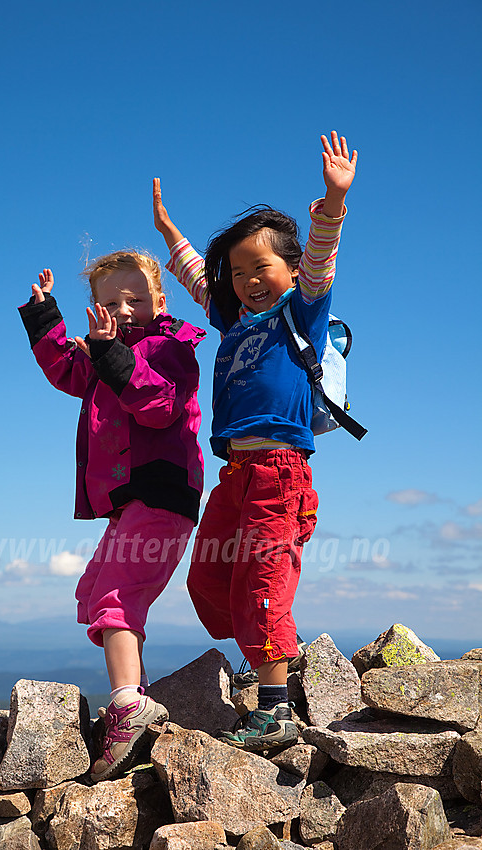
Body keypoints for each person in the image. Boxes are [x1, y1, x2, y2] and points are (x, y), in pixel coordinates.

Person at [153, 131, 357, 751]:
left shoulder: (300, 311)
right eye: (238, 273)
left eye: (260, 268)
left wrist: (332, 199)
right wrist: (168, 234)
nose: (247, 281)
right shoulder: (234, 321)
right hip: (234, 477)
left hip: (280, 473)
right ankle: (262, 660)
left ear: (289, 271)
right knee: (209, 581)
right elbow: (198, 280)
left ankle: (276, 708)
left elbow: (320, 259)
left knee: (263, 580)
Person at [18, 248, 205, 780]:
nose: (123, 310)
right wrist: (45, 317)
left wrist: (109, 354)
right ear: (94, 309)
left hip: (163, 491)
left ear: (159, 301)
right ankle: (135, 698)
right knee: (97, 587)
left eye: (135, 299)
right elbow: (67, 372)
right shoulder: (104, 353)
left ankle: (125, 703)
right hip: (132, 499)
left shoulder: (171, 346)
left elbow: (159, 402)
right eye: (109, 302)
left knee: (115, 594)